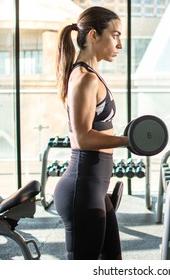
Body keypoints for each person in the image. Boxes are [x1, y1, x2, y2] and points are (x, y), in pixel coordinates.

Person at [54, 6, 128, 260]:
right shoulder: (85, 78)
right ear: (94, 35)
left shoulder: (91, 75)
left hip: (94, 186)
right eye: (115, 35)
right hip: (82, 188)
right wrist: (127, 141)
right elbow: (82, 138)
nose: (119, 44)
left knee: (111, 262)